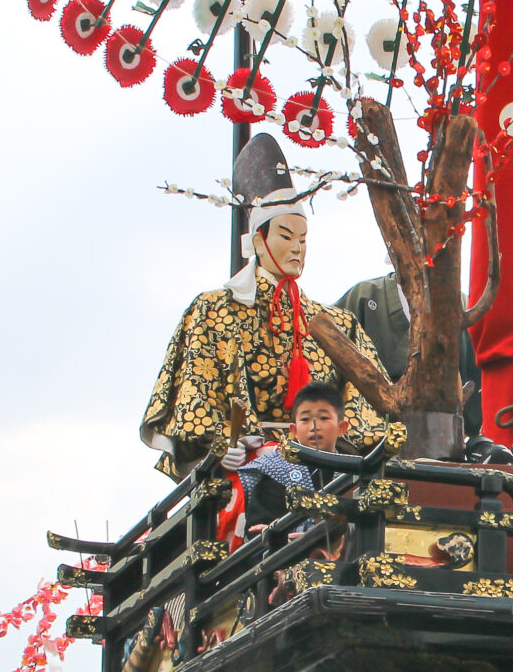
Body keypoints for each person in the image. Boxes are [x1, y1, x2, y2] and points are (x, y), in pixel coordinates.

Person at [142, 198, 392, 476]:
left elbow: (371, 406)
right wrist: (222, 448)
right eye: (286, 236)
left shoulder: (340, 323)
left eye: (303, 239)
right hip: (249, 466)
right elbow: (198, 396)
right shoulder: (215, 308)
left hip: (327, 466)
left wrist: (335, 442)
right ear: (258, 242)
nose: (297, 248)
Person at [334, 271, 484, 438]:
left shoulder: (463, 306)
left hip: (443, 441)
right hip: (368, 442)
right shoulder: (364, 296)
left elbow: (477, 390)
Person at [228, 383, 358, 531]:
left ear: (342, 428)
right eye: (305, 419)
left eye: (324, 417)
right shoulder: (274, 469)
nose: (314, 426)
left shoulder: (353, 472)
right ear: (293, 430)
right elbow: (258, 528)